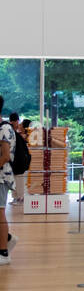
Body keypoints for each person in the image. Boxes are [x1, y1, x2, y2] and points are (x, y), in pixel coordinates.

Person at [0, 96, 19, 266]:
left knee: (0, 214)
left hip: (1, 177)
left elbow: (5, 156)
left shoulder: (4, 129)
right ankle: (7, 238)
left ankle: (4, 252)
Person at [9, 113, 31, 203]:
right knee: (16, 179)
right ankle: (16, 197)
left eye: (21, 124)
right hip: (17, 161)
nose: (19, 125)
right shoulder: (16, 134)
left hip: (21, 162)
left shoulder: (25, 136)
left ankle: (20, 197)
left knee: (20, 180)